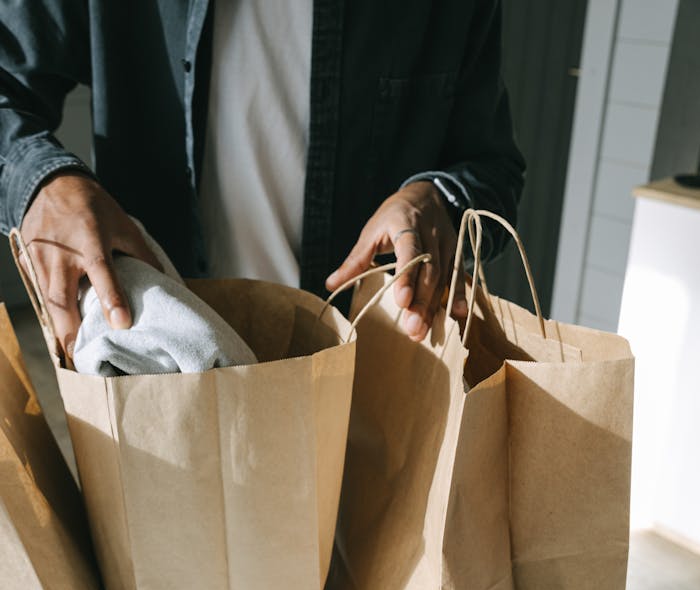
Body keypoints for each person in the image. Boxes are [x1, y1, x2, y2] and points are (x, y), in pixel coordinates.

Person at [0, 1, 524, 358]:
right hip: (155, 376)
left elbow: (492, 168)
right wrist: (44, 183)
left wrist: (433, 200)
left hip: (369, 399)